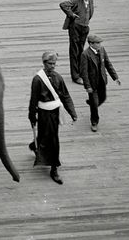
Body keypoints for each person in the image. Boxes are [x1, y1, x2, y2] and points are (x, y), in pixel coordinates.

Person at [28, 50, 77, 184]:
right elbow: (33, 99)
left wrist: (72, 112)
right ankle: (50, 163)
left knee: (52, 138)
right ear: (44, 63)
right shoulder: (38, 79)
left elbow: (65, 96)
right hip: (44, 113)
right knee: (48, 136)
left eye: (54, 64)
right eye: (50, 64)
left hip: (55, 112)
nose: (53, 66)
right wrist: (32, 116)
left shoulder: (58, 78)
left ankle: (54, 168)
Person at [78, 34, 120, 132]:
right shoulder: (85, 54)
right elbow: (83, 72)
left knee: (103, 98)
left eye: (100, 43)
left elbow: (108, 64)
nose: (99, 45)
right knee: (94, 104)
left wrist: (115, 77)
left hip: (102, 81)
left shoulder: (102, 50)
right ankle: (94, 122)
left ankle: (92, 103)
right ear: (91, 44)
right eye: (97, 43)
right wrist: (87, 86)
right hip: (92, 84)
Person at [59, 0, 95, 85]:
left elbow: (90, 14)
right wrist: (71, 14)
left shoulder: (91, 2)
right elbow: (63, 4)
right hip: (75, 27)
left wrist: (86, 22)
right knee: (74, 51)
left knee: (81, 50)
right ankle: (75, 76)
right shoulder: (76, 1)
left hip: (84, 27)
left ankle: (81, 72)